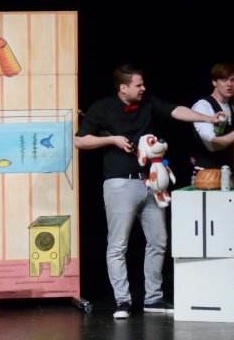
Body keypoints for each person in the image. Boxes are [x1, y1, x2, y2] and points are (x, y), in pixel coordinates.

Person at [74, 63, 225, 319]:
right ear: (123, 88)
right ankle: (123, 300)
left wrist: (208, 118)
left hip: (151, 183)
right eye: (138, 85)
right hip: (120, 184)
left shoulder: (148, 103)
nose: (143, 88)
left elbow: (176, 111)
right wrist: (112, 139)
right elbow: (80, 140)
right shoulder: (103, 108)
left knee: (158, 241)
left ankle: (153, 298)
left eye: (143, 83)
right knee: (118, 245)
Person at [190, 62, 234, 174]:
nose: (230, 84)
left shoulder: (231, 108)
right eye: (224, 80)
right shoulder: (203, 106)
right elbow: (212, 145)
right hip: (206, 174)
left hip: (226, 172)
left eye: (233, 80)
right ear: (214, 82)